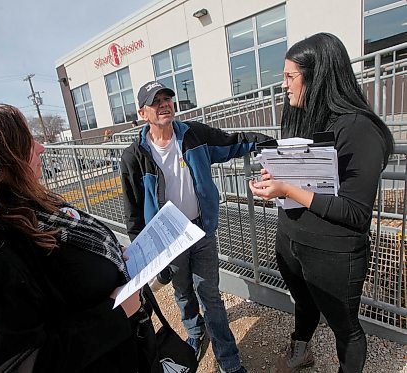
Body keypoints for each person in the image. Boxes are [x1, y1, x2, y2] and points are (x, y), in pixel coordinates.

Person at [0, 104, 158, 373]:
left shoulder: (20, 206)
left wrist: (105, 254)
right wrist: (114, 315)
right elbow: (18, 363)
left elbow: (61, 266)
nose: (41, 148)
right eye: (27, 141)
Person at [249, 33, 394, 373]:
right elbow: (304, 179)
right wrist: (275, 177)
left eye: (290, 77)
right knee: (303, 302)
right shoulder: (306, 118)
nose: (283, 85)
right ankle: (302, 351)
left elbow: (356, 213)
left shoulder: (359, 129)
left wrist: (286, 188)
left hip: (333, 252)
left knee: (346, 328)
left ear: (317, 77)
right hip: (291, 239)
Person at [120, 81, 272, 373]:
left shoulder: (194, 134)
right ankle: (195, 332)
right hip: (168, 239)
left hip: (201, 231)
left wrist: (266, 142)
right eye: (156, 102)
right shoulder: (133, 157)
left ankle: (229, 361)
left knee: (210, 296)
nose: (164, 104)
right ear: (143, 113)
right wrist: (145, 255)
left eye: (167, 99)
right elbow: (133, 213)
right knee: (182, 292)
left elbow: (232, 142)